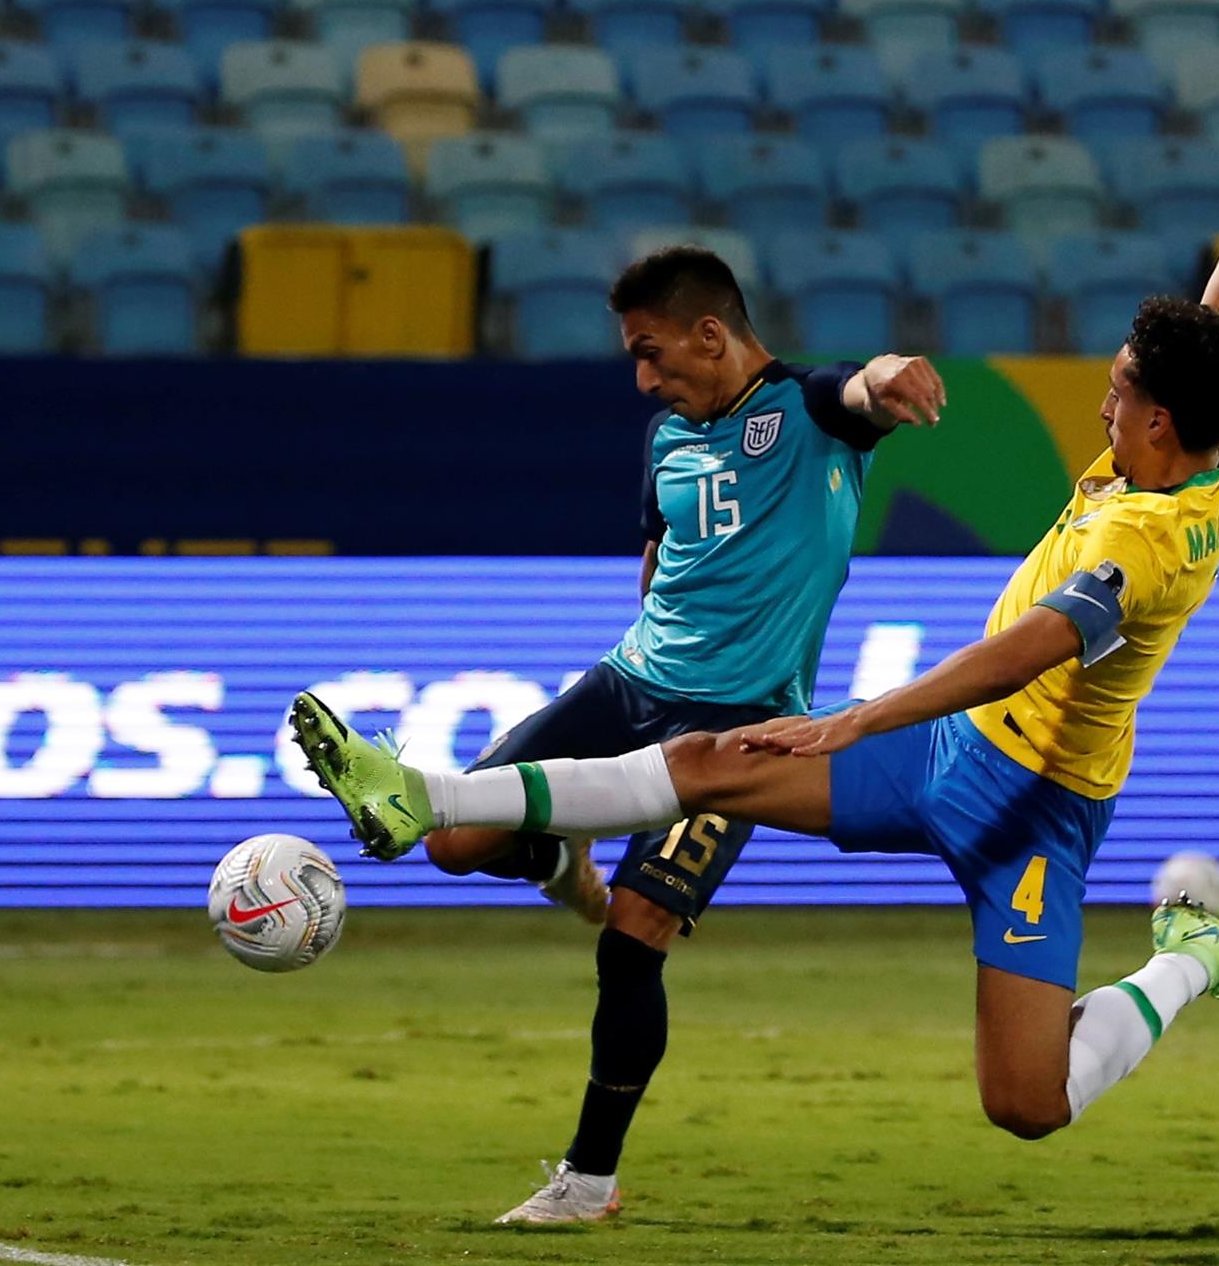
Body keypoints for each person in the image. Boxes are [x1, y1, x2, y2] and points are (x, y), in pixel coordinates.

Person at [291, 3, 1219, 1211]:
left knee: (1026, 1102)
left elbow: (1025, 651)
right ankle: (426, 792)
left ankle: (1189, 960)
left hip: (1038, 801)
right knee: (709, 761)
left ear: (1154, 424)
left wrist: (853, 721)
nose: (1102, 396)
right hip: (948, 749)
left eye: (1119, 389)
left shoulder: (1152, 535)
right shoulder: (1215, 436)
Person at [316, 244, 946, 1222]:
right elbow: (659, 563)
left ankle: (589, 1180)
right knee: (450, 843)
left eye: (652, 353)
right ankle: (559, 854)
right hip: (627, 681)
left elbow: (853, 391)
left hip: (741, 719)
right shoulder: (665, 440)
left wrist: (888, 371)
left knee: (635, 933)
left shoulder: (805, 413)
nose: (644, 378)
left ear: (710, 332)